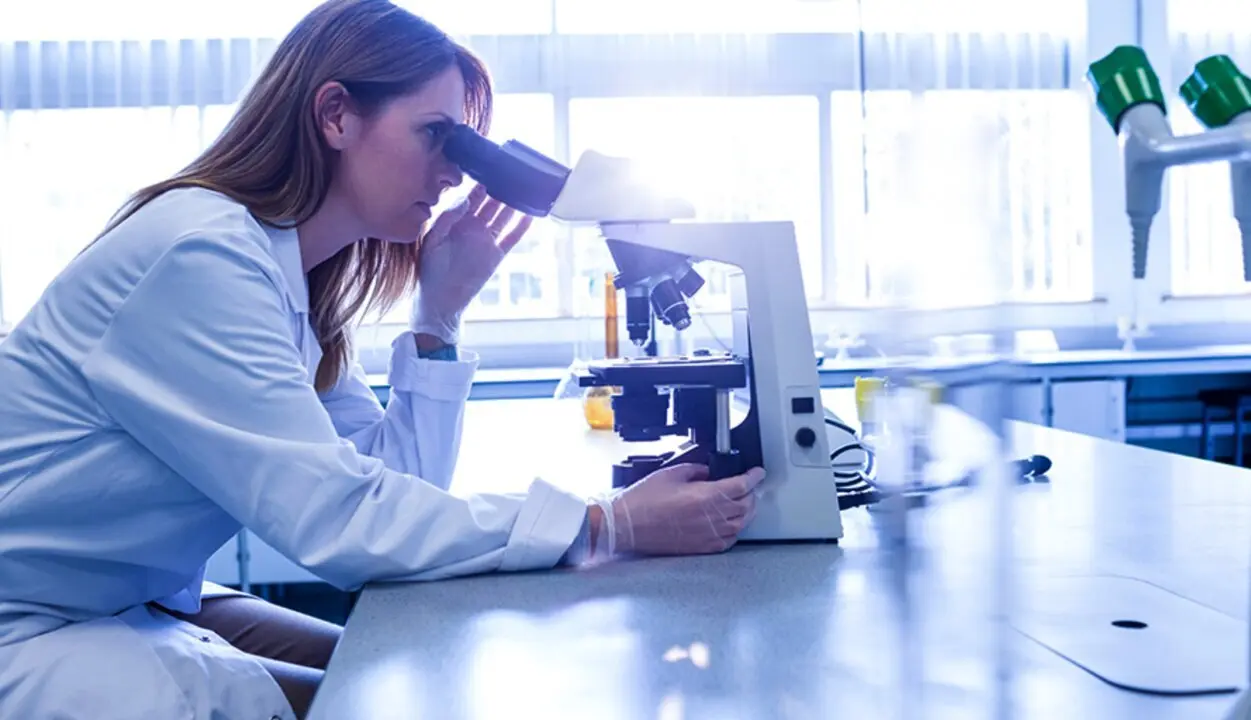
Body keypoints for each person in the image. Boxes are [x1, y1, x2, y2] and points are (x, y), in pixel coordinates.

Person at [0, 1, 766, 718]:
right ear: (335, 114)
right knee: (381, 698)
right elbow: (342, 525)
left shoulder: (287, 275)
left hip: (122, 598)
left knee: (391, 661)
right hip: (30, 623)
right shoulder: (201, 255)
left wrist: (438, 318)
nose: (458, 173)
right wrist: (610, 525)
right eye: (438, 135)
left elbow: (394, 490)